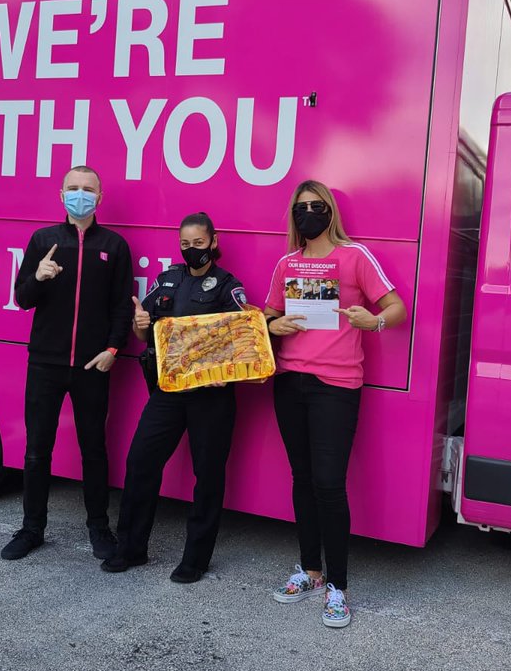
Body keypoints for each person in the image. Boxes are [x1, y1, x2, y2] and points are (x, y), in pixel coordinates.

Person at [263, 180, 406, 628]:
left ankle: (338, 588)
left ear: (330, 212)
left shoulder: (355, 256)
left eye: (317, 206)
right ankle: (310, 571)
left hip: (336, 386)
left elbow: (397, 306)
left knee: (329, 483)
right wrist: (276, 323)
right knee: (302, 478)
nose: (309, 213)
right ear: (293, 215)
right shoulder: (287, 263)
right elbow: (266, 312)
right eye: (301, 207)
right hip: (289, 382)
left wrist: (376, 320)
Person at [101, 213, 246, 583]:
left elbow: (246, 340)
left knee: (208, 476)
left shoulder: (229, 287)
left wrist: (224, 369)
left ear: (214, 242)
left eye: (198, 243)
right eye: (185, 244)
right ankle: (130, 548)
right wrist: (138, 325)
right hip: (168, 390)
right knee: (140, 463)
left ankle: (195, 560)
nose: (191, 250)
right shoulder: (167, 279)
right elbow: (144, 333)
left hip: (211, 397)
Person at [0, 165, 133, 562]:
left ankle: (99, 528)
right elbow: (23, 298)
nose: (80, 194)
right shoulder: (43, 240)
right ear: (61, 196)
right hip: (45, 362)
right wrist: (39, 277)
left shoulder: (114, 245)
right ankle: (31, 529)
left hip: (93, 365)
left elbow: (121, 306)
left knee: (94, 448)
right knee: (38, 449)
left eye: (88, 189)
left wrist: (112, 350)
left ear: (100, 197)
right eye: (73, 188)